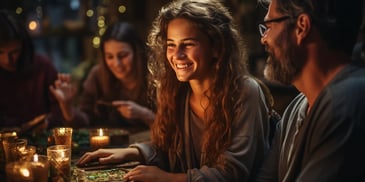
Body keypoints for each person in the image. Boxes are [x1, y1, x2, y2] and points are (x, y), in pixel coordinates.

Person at [77, 0, 271, 181]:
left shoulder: (245, 92)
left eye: (188, 44)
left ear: (216, 47)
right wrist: (131, 151)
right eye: (171, 45)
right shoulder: (175, 92)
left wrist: (166, 178)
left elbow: (232, 172)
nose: (177, 55)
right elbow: (168, 149)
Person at [255, 0, 365, 181]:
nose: (264, 38)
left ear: (301, 27)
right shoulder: (294, 110)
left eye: (269, 26)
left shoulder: (347, 104)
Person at [50, 22, 155, 130]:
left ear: (136, 52)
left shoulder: (154, 76)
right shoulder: (97, 75)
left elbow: (170, 127)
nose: (116, 63)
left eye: (123, 55)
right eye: (109, 57)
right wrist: (67, 107)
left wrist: (144, 114)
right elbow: (84, 122)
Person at [0, 10, 83, 131]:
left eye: (14, 52)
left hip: (41, 139)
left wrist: (48, 121)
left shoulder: (42, 67)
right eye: (0, 52)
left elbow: (59, 113)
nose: (7, 60)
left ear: (23, 47)